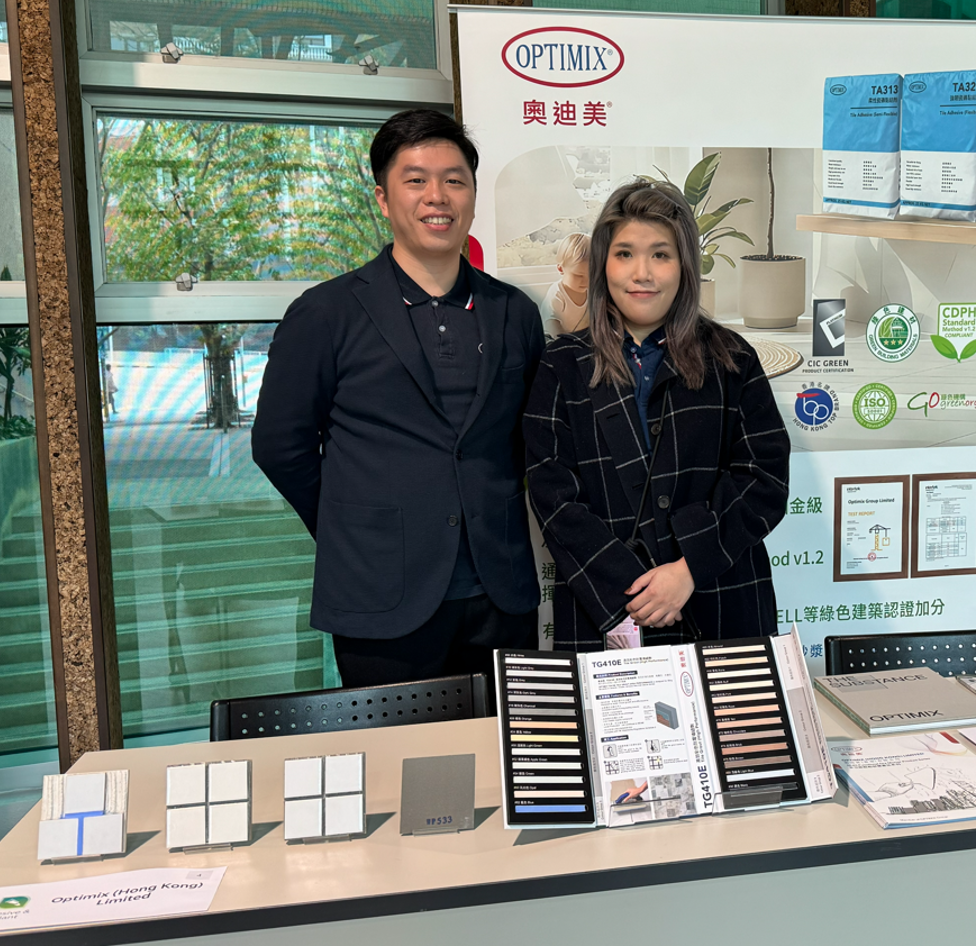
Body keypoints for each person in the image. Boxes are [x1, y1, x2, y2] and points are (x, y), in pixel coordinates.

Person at [252, 109, 544, 689]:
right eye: (416, 180)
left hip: (501, 592)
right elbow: (280, 446)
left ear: (473, 196)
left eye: (454, 180)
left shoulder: (514, 312)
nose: (437, 196)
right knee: (397, 748)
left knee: (510, 743)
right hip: (380, 596)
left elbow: (528, 438)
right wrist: (353, 528)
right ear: (384, 199)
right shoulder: (326, 312)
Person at [524, 179, 789, 652]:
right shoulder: (561, 364)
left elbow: (763, 478)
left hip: (721, 598)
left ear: (685, 265)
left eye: (661, 255)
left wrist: (688, 569)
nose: (641, 273)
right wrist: (634, 589)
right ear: (603, 263)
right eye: (624, 253)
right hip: (605, 612)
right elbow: (552, 493)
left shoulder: (732, 358)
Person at [542, 232, 591, 337]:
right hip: (555, 337)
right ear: (561, 269)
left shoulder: (592, 292)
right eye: (579, 276)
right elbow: (552, 324)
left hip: (581, 338)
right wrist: (566, 342)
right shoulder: (557, 294)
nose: (586, 281)